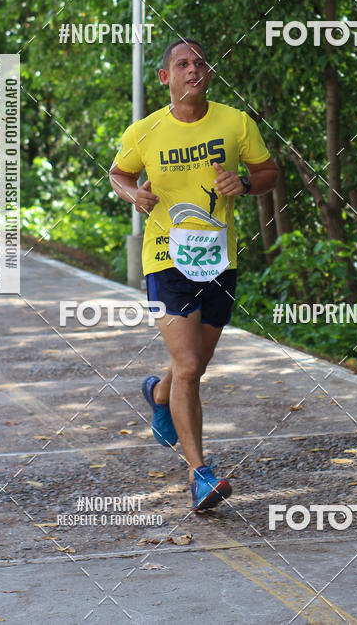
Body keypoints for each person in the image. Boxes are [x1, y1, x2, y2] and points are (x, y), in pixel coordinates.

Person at [109, 38, 277, 511]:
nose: (193, 69)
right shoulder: (144, 131)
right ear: (165, 78)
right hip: (165, 258)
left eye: (200, 62)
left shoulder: (235, 122)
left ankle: (158, 395)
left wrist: (243, 183)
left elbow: (269, 173)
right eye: (182, 64)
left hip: (219, 259)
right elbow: (118, 174)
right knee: (188, 367)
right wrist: (133, 196)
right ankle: (199, 474)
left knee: (193, 366)